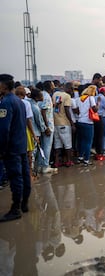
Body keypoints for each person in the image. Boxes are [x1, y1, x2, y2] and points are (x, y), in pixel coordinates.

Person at [0, 74, 31, 222]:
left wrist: (2, 148)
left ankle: (15, 209)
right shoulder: (20, 101)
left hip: (11, 147)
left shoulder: (6, 102)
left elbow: (4, 128)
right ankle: (24, 204)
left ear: (4, 86)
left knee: (16, 177)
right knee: (24, 175)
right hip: (21, 145)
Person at [52, 82, 75, 167]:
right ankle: (68, 161)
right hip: (64, 123)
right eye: (72, 89)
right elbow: (67, 110)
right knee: (67, 144)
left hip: (55, 123)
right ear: (69, 89)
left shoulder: (55, 94)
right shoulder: (67, 96)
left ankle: (57, 162)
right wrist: (72, 123)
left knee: (57, 144)